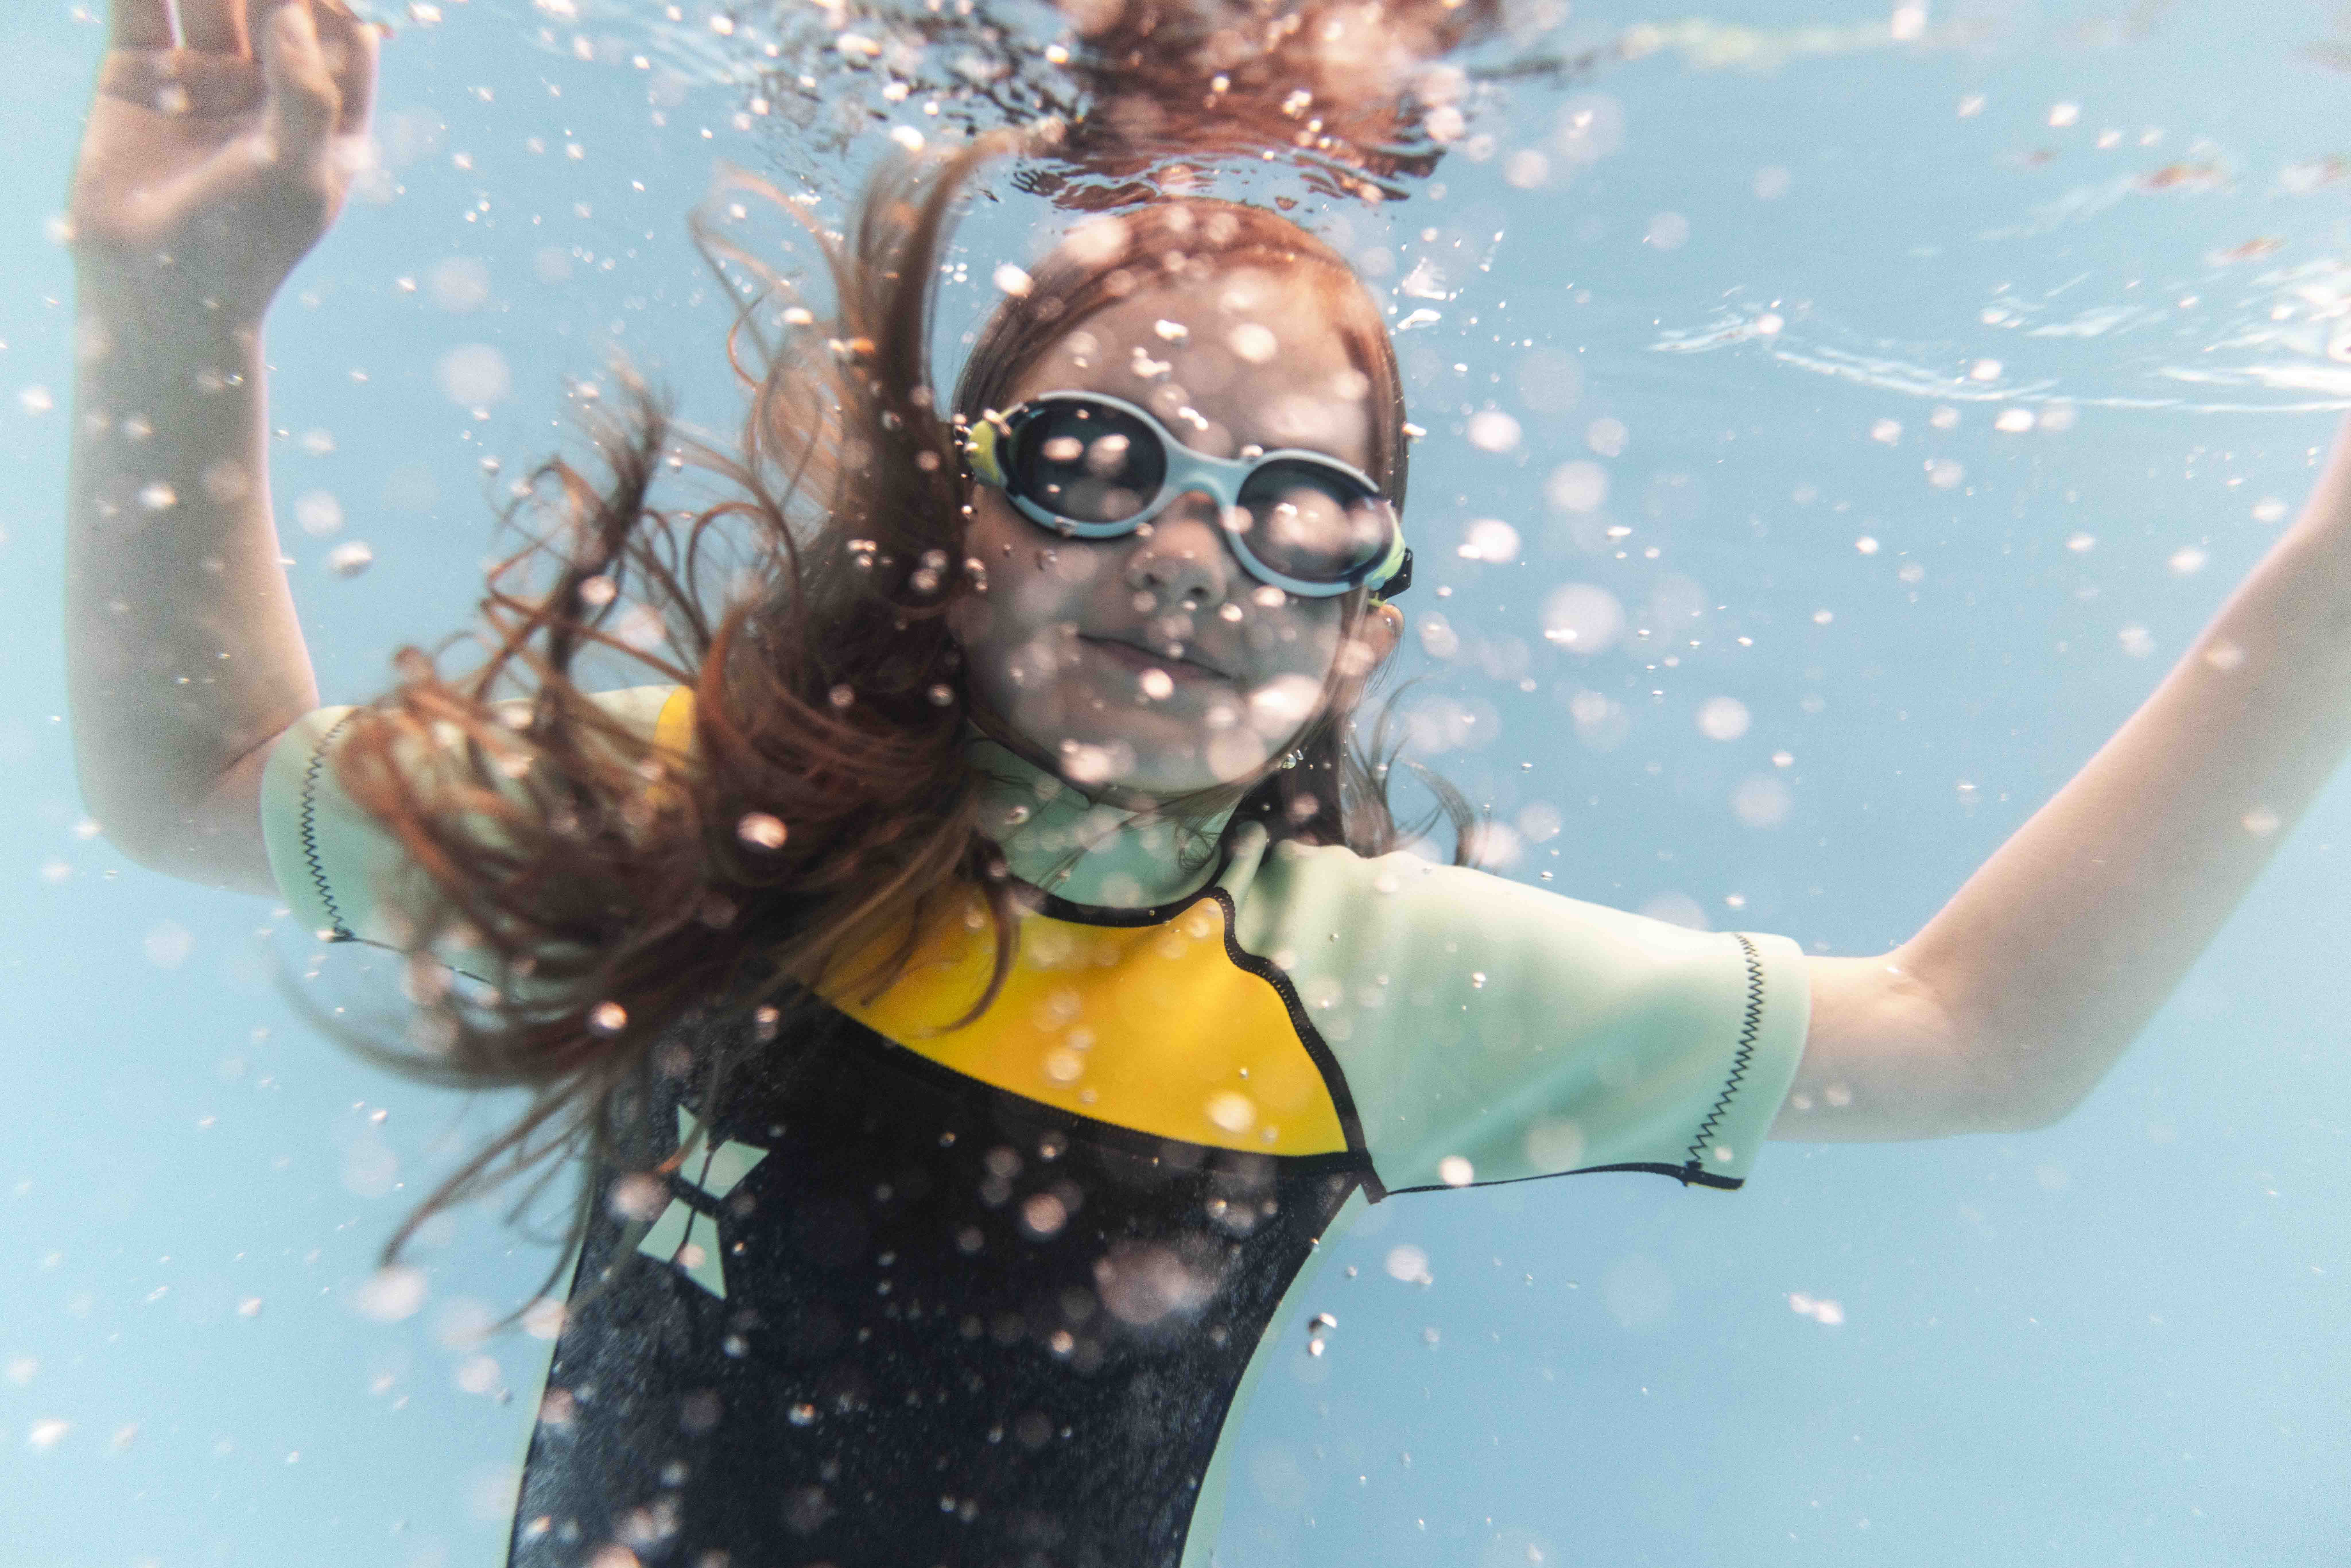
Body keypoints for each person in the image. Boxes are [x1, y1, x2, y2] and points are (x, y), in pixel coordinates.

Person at [63, 3, 2351, 1566]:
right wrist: (174, 299)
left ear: (1365, 625)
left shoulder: (1370, 984)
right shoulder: (721, 808)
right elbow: (203, 782)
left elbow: (1977, 1031)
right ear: (958, 525)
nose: (1186, 552)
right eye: (1094, 459)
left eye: (1299, 512)